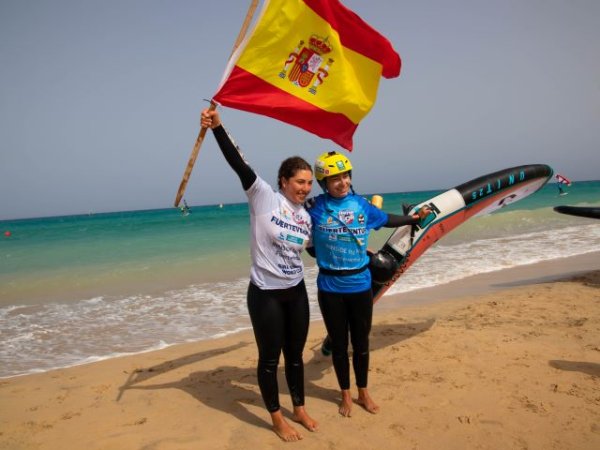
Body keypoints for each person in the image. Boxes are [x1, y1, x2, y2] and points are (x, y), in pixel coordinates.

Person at [201, 108, 318, 441]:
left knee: (294, 356)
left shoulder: (307, 216)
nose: (305, 188)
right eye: (299, 182)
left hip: (295, 292)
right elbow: (239, 162)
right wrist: (218, 128)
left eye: (309, 183)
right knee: (270, 358)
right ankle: (277, 418)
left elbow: (311, 251)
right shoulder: (263, 196)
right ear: (284, 180)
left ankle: (299, 407)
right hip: (265, 293)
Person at [306, 151, 430, 417]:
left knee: (361, 343)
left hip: (360, 286)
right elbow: (305, 242)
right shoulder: (314, 208)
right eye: (334, 178)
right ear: (323, 182)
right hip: (330, 288)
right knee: (339, 345)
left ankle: (363, 392)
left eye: (346, 175)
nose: (342, 182)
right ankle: (345, 395)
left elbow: (385, 219)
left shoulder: (361, 205)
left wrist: (413, 219)